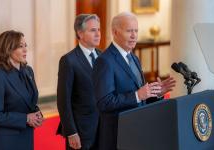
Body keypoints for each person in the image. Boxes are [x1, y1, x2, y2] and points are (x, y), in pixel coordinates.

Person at [93, 12, 176, 150]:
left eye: (136, 31)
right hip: (117, 136)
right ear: (115, 32)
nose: (134, 36)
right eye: (129, 31)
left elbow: (141, 97)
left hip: (137, 131)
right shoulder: (104, 61)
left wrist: (156, 93)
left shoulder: (134, 58)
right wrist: (137, 95)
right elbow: (104, 103)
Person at [0, 30, 44, 150]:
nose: (25, 50)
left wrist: (37, 114)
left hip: (26, 136)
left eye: (25, 45)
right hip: (5, 142)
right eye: (20, 46)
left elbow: (29, 102)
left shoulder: (28, 71)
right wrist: (26, 118)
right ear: (8, 49)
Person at [56, 14, 101, 150]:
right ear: (80, 33)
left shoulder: (102, 56)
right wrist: (71, 132)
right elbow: (63, 101)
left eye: (98, 29)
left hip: (103, 127)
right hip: (81, 130)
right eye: (93, 30)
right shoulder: (68, 61)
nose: (98, 34)